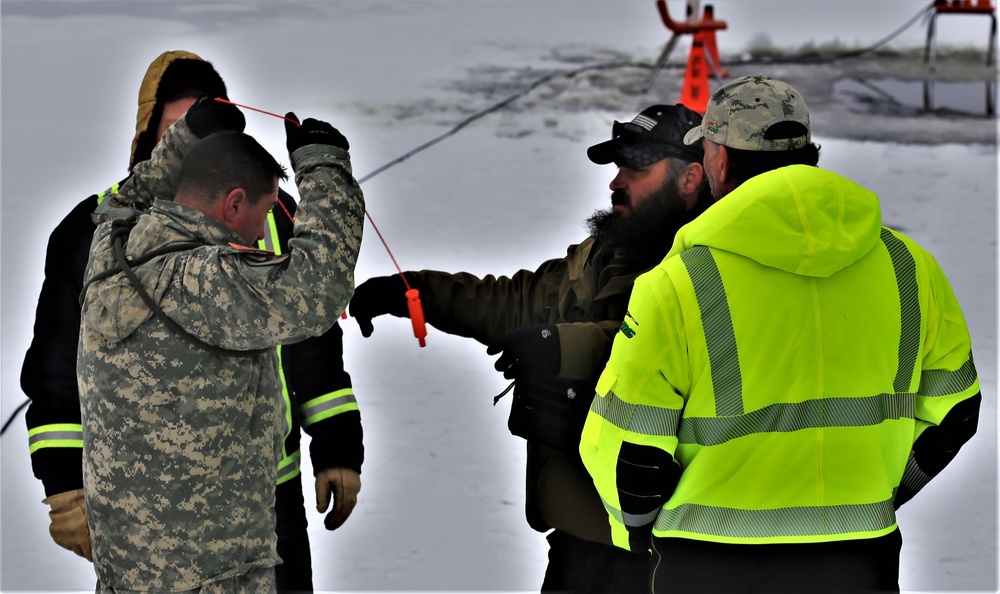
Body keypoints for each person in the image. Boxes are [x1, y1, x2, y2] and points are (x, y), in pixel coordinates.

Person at [579, 75, 982, 593]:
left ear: (718, 162)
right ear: (809, 154)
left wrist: (639, 535)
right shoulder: (911, 267)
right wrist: (882, 494)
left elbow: (625, 448)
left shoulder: (678, 284)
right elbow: (957, 411)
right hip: (860, 561)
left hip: (710, 563)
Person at [21, 50, 363, 592]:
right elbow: (55, 375)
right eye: (176, 134)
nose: (188, 153)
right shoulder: (94, 234)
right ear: (147, 137)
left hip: (266, 495)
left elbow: (312, 343)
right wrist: (65, 486)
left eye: (199, 136)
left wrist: (337, 442)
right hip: (147, 514)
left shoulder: (267, 214)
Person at [348, 104, 713, 593]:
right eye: (618, 168)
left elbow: (647, 342)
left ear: (691, 178)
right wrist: (416, 292)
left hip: (657, 544)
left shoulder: (703, 263)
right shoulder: (608, 248)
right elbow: (519, 302)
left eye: (636, 169)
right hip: (581, 526)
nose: (615, 182)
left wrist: (556, 346)